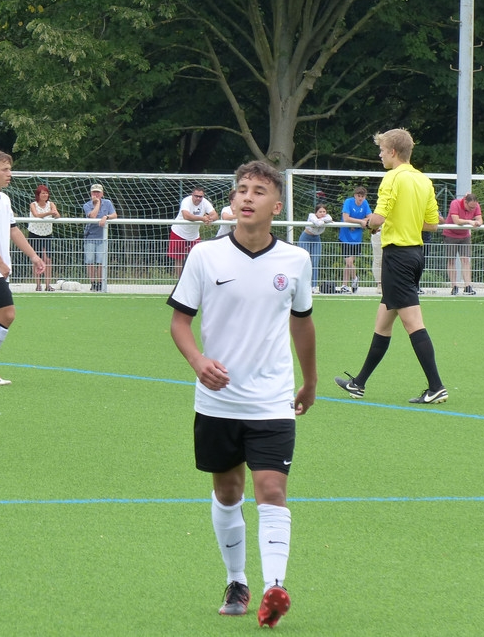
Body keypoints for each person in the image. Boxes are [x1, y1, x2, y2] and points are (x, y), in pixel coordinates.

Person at [168, 159, 316, 628]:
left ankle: (275, 587)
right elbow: (180, 322)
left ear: (277, 206)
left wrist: (310, 380)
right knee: (227, 490)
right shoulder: (205, 256)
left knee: (271, 489)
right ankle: (237, 581)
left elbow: (302, 322)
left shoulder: (295, 260)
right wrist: (199, 362)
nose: (247, 197)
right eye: (241, 190)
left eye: (258, 191)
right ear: (232, 200)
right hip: (218, 401)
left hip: (272, 399)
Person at [334, 128, 448, 405]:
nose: (380, 155)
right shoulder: (423, 180)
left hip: (397, 257)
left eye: (382, 150)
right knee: (383, 322)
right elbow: (432, 224)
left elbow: (377, 218)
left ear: (393, 152)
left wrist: (368, 223)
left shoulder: (392, 178)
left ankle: (436, 386)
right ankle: (358, 383)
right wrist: (402, 221)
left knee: (413, 323)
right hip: (415, 255)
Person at [0, 150, 45, 385]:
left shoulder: (4, 199)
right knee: (7, 314)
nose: (9, 173)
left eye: (10, 169)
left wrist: (34, 256)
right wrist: (0, 262)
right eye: (5, 169)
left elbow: (13, 230)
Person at [168, 187, 218, 276]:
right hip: (179, 232)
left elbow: (215, 215)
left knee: (196, 259)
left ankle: (193, 280)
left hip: (194, 235)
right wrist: (202, 218)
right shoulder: (186, 201)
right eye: (196, 196)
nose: (198, 198)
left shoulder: (205, 202)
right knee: (179, 259)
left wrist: (209, 219)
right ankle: (180, 281)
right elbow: (186, 216)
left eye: (200, 196)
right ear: (192, 195)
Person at [442, 192, 483, 295]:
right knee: (451, 260)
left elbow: (479, 218)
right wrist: (469, 221)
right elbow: (456, 220)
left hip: (465, 236)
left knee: (465, 260)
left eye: (474, 207)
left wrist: (478, 223)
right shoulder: (455, 203)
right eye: (470, 207)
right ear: (465, 202)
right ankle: (454, 286)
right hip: (450, 234)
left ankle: (467, 286)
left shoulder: (476, 205)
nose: (472, 209)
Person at [82, 183, 117, 291]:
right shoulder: (87, 205)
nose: (96, 194)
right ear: (90, 193)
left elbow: (114, 215)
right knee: (90, 261)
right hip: (90, 236)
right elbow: (92, 216)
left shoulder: (108, 203)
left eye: (98, 192)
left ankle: (100, 282)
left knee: (101, 261)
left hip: (102, 237)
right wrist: (97, 203)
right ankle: (93, 283)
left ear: (102, 193)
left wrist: (106, 217)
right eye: (94, 192)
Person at [338, 186, 371, 293]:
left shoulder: (365, 204)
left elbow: (370, 217)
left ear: (365, 197)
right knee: (348, 262)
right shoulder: (348, 202)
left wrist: (357, 222)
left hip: (357, 238)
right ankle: (354, 279)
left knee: (349, 262)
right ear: (355, 196)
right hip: (345, 236)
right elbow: (346, 218)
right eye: (359, 196)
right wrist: (360, 222)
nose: (360, 198)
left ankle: (345, 285)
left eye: (362, 196)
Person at [28, 184, 60, 291]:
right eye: (43, 193)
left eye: (46, 193)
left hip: (47, 234)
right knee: (37, 260)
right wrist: (49, 213)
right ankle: (38, 284)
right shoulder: (33, 204)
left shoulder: (51, 204)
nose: (45, 195)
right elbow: (36, 215)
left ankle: (48, 284)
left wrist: (55, 214)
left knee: (48, 259)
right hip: (35, 233)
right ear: (38, 194)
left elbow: (57, 214)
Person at [297, 203, 333, 293]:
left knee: (315, 262)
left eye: (324, 211)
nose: (322, 213)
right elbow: (318, 223)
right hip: (306, 238)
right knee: (304, 261)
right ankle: (302, 285)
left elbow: (329, 218)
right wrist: (323, 221)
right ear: (316, 212)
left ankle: (313, 286)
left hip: (316, 238)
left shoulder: (327, 216)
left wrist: (323, 219)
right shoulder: (311, 215)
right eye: (320, 212)